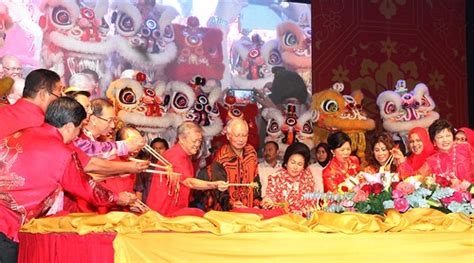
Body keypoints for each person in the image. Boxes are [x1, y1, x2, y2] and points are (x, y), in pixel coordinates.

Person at [0, 97, 137, 262]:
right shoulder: (62, 153)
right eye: (79, 129)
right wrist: (118, 198)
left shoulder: (20, 134)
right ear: (69, 126)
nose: (77, 135)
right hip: (6, 226)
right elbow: (86, 188)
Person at [0, 69, 148, 178]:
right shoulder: (46, 125)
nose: (62, 99)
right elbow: (82, 162)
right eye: (59, 94)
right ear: (43, 94)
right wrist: (128, 164)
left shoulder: (3, 112)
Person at [146, 122, 228, 217]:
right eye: (194, 141)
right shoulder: (175, 156)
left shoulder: (185, 155)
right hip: (163, 213)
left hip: (174, 210)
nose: (197, 144)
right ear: (182, 139)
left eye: (199, 141)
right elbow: (189, 182)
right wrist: (214, 184)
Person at [202, 118, 260, 211]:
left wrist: (257, 203)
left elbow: (256, 180)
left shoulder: (251, 152)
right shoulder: (221, 158)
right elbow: (219, 189)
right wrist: (231, 204)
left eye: (244, 135)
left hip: (249, 209)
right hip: (227, 212)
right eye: (237, 136)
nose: (241, 139)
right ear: (228, 136)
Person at [261, 142, 315, 216]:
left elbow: (310, 201)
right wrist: (268, 201)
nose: (295, 167)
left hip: (301, 220)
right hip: (281, 219)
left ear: (303, 167)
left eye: (299, 164)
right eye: (292, 163)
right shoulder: (276, 177)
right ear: (286, 162)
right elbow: (271, 195)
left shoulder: (307, 178)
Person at [135, 137, 169, 202]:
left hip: (165, 204)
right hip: (148, 204)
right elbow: (139, 190)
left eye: (160, 148)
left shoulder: (170, 168)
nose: (157, 151)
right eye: (154, 148)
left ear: (167, 150)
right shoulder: (144, 166)